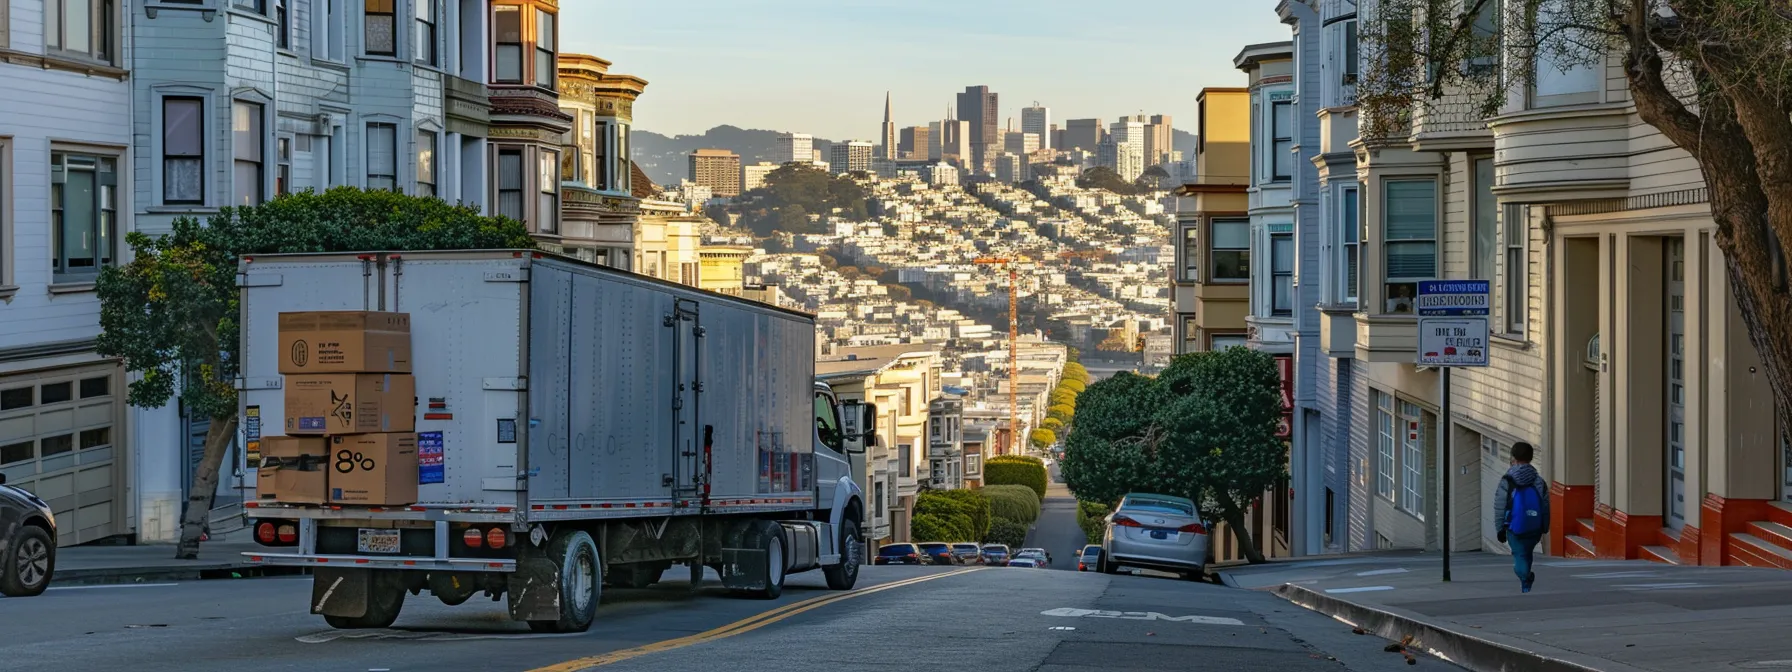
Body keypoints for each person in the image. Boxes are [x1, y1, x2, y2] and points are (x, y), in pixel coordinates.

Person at [1493, 441, 1550, 593]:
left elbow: (1500, 506)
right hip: (1535, 526)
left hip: (1513, 526)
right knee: (1526, 553)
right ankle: (1526, 581)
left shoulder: (1507, 481)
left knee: (1519, 555)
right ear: (1531, 457)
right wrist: (1545, 525)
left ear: (1513, 457)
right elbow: (1545, 505)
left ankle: (1526, 579)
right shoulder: (1539, 481)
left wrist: (1499, 528)